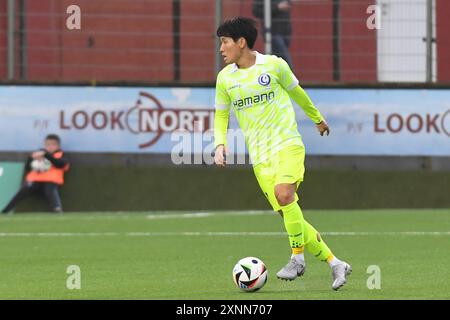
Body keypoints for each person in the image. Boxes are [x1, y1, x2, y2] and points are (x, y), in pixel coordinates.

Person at [214, 17, 351, 290]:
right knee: (291, 215)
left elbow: (297, 93)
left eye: (225, 42)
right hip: (261, 159)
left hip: (288, 144)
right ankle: (335, 263)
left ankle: (297, 258)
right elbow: (221, 115)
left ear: (241, 42)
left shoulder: (274, 65)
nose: (221, 49)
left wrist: (317, 118)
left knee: (284, 194)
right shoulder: (225, 79)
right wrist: (220, 144)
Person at [1, 134, 70, 214]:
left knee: (50, 190)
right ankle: (6, 210)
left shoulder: (61, 155)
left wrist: (46, 155)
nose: (50, 147)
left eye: (53, 144)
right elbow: (27, 168)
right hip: (35, 180)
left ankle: (57, 208)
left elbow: (60, 164)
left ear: (58, 146)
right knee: (25, 188)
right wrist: (31, 158)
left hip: (51, 181)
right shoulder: (37, 154)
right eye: (47, 145)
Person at [252, 0, 293, 68]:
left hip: (286, 31)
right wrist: (277, 7)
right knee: (285, 61)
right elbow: (256, 11)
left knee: (276, 61)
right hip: (272, 32)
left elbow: (288, 3)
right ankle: (290, 76)